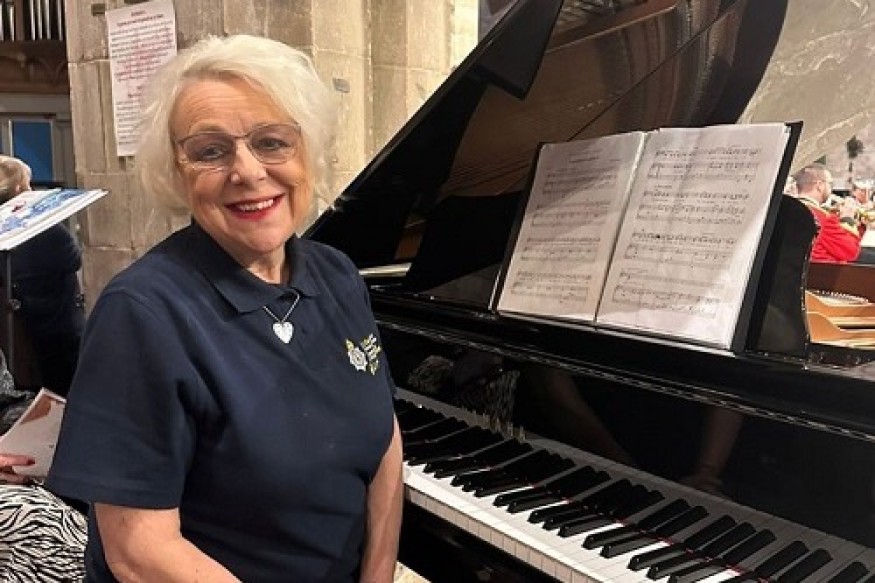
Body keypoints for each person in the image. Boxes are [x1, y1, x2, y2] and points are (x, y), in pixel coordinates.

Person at [46, 34, 403, 583]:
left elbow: (383, 432)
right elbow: (139, 552)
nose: (248, 172)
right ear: (176, 171)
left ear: (307, 150)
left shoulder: (337, 275)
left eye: (272, 141)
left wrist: (378, 575)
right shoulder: (141, 313)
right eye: (210, 151)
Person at [0, 155, 85, 396]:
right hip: (57, 334)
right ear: (20, 189)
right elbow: (73, 259)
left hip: (16, 343)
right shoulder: (43, 229)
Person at [792, 163, 863, 263]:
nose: (831, 189)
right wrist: (848, 220)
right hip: (822, 271)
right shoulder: (823, 218)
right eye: (830, 184)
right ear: (819, 185)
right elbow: (850, 251)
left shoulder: (789, 209)